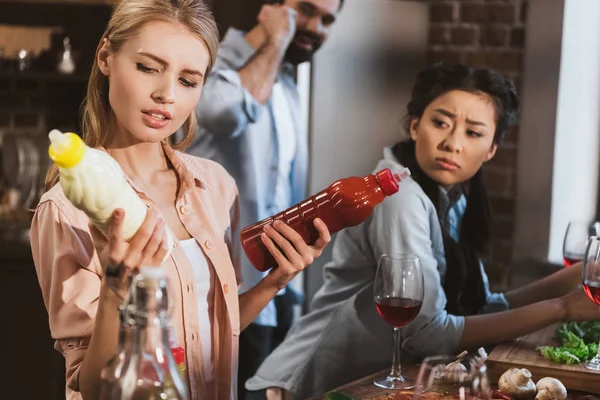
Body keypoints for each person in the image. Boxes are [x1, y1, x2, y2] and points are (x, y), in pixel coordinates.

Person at [29, 1, 331, 399]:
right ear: (106, 57)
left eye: (188, 81)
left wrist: (275, 282)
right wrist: (117, 288)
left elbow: (215, 330)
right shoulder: (67, 210)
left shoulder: (216, 185)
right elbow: (92, 386)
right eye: (148, 67)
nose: (165, 94)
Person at [244, 63, 600, 399]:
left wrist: (571, 277)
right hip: (307, 386)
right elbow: (428, 334)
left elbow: (481, 308)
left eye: (473, 132)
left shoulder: (451, 195)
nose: (452, 143)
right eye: (441, 123)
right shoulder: (396, 199)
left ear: (490, 149)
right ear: (415, 126)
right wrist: (563, 308)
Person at [186, 0, 342, 398]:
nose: (316, 27)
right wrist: (275, 41)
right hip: (223, 289)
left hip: (279, 284)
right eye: (305, 9)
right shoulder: (211, 59)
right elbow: (221, 113)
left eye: (327, 20)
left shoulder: (287, 80)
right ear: (270, 6)